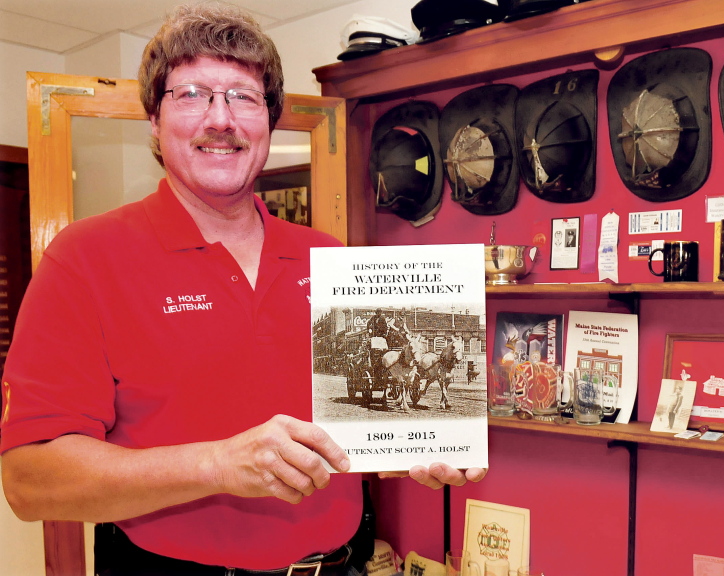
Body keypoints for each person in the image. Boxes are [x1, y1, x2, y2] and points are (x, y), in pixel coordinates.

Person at [0, 4, 484, 575]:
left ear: (269, 122)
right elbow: (30, 482)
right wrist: (216, 465)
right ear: (154, 119)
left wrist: (419, 446)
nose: (220, 118)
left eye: (242, 96)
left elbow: (366, 427)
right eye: (191, 94)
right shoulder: (84, 259)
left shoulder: (329, 258)